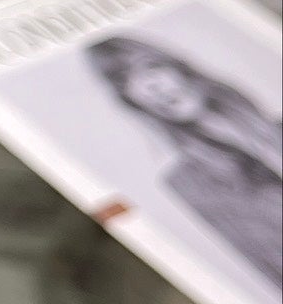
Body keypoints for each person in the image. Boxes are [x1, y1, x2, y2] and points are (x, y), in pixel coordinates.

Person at [86, 34, 283, 285]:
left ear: (179, 67)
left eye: (150, 66)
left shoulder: (275, 129)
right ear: (131, 100)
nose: (150, 86)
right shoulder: (190, 184)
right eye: (124, 80)